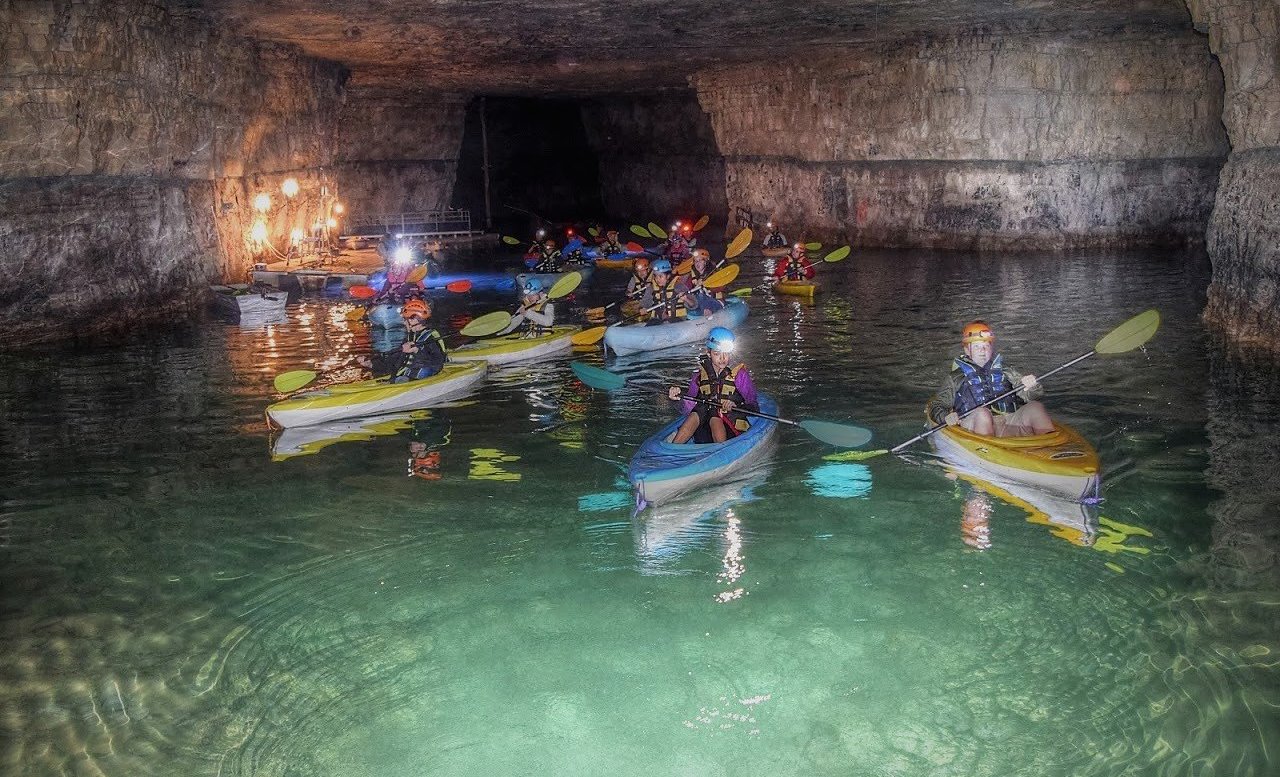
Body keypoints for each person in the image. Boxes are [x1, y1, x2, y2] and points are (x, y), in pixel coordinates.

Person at [926, 320, 1054, 437]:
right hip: (973, 425)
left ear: (991, 348)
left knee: (1035, 407)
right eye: (976, 347)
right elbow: (936, 405)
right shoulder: (955, 377)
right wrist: (945, 417)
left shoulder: (1007, 371)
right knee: (983, 414)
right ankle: (989, 452)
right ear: (967, 350)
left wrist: (1032, 386)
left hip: (1008, 421)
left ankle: (1051, 445)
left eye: (986, 346)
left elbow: (1031, 396)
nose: (982, 351)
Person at [665, 327, 759, 444]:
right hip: (704, 431)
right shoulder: (699, 376)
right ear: (708, 353)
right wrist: (677, 399)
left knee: (713, 410)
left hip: (732, 428)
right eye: (717, 354)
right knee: (703, 406)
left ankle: (721, 449)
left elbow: (754, 406)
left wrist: (737, 405)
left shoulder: (740, 375)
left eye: (726, 354)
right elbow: (687, 408)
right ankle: (675, 446)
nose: (722, 358)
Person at [392, 299, 447, 383]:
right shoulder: (410, 335)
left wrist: (417, 351)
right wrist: (372, 364)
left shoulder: (431, 336)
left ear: (414, 320)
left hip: (427, 370)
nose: (404, 323)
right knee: (396, 374)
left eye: (405, 319)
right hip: (410, 370)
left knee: (421, 372)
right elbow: (397, 357)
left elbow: (438, 360)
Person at [640, 258, 694, 324]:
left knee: (669, 322)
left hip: (677, 320)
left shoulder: (679, 286)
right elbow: (645, 303)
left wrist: (686, 299)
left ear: (668, 276)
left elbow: (694, 305)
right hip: (657, 320)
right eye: (655, 276)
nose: (657, 279)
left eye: (660, 276)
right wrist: (643, 308)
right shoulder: (651, 288)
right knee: (652, 323)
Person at [686, 249, 725, 314]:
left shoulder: (714, 273)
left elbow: (721, 288)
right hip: (699, 303)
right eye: (695, 261)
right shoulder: (691, 276)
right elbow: (687, 290)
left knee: (701, 296)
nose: (697, 263)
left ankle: (708, 313)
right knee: (698, 297)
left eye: (700, 260)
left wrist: (706, 284)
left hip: (715, 302)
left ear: (706, 262)